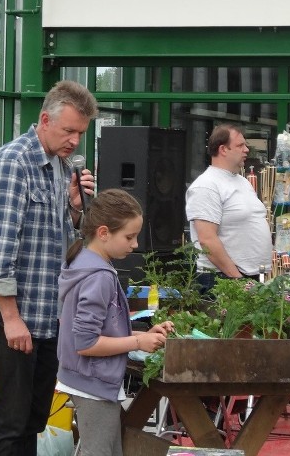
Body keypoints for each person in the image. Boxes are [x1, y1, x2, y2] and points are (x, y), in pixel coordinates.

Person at [0, 80, 98, 456]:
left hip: (45, 315)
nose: (74, 141)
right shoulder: (14, 163)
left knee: (34, 418)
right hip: (12, 315)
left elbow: (59, 242)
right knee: (10, 423)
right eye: (68, 130)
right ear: (44, 119)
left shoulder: (59, 167)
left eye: (80, 133)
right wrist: (11, 318)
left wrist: (75, 206)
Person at [57, 189, 173, 456]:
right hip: (92, 381)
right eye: (129, 237)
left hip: (87, 378)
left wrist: (142, 334)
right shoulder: (99, 277)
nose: (134, 245)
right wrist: (137, 341)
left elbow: (99, 330)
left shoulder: (86, 264)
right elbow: (85, 343)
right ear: (104, 232)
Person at [185, 124, 272, 292]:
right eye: (240, 145)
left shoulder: (242, 181)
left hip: (247, 277)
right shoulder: (206, 186)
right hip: (222, 278)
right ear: (223, 149)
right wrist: (236, 279)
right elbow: (207, 239)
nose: (246, 150)